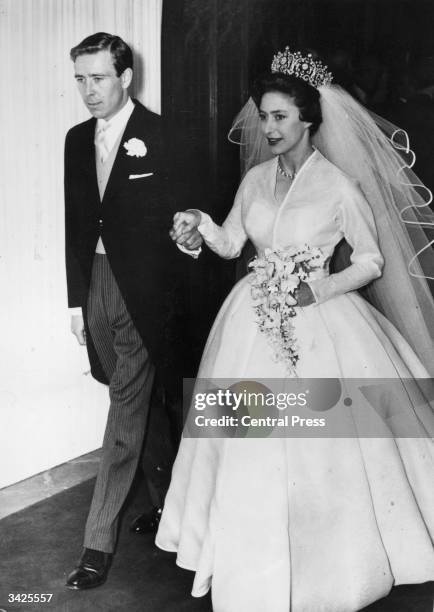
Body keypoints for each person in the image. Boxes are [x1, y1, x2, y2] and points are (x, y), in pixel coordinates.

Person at [156, 47, 434, 611]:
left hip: (321, 325)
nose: (268, 127)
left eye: (280, 116)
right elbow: (234, 242)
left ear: (308, 118)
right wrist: (197, 227)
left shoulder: (338, 186)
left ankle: (330, 567)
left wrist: (317, 290)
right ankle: (246, 557)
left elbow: (371, 261)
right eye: (263, 115)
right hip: (251, 322)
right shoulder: (256, 179)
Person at [64, 32, 201, 590]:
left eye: (98, 79)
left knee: (123, 410)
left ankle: (97, 543)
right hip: (94, 284)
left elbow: (195, 209)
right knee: (126, 390)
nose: (88, 91)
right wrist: (76, 301)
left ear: (126, 78)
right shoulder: (75, 140)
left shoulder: (163, 135)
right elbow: (75, 224)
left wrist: (190, 225)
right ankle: (167, 502)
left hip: (143, 294)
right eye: (80, 79)